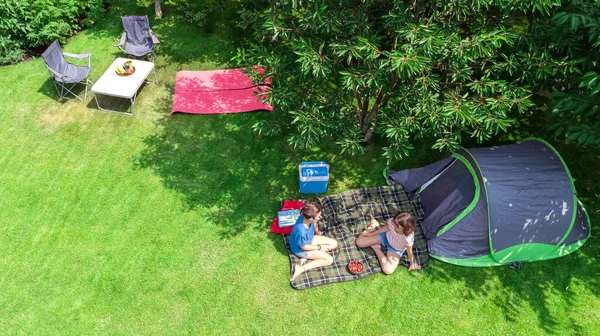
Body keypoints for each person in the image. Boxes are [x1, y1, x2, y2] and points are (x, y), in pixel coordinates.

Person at [355, 212, 421, 274]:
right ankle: (373, 225)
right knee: (359, 242)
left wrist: (412, 263)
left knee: (388, 270)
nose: (394, 225)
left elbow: (410, 252)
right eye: (394, 223)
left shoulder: (408, 238)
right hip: (385, 238)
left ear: (405, 228)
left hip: (395, 249)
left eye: (397, 226)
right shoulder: (393, 222)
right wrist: (371, 234)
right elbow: (386, 228)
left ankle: (377, 249)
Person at [289, 203, 339, 281]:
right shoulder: (301, 232)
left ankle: (308, 257)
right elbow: (304, 247)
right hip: (301, 249)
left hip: (309, 239)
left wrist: (317, 232)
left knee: (334, 243)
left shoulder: (306, 217)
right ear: (311, 218)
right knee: (329, 260)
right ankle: (301, 269)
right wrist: (320, 247)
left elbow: (315, 223)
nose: (321, 217)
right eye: (319, 216)